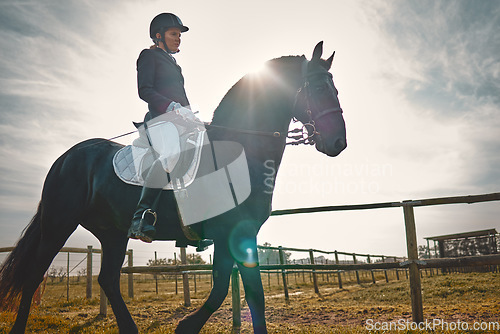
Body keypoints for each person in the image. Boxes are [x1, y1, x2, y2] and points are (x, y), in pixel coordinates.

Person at [128, 13, 211, 251]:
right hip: (159, 120)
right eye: (174, 34)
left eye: (179, 35)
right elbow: (145, 90)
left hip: (180, 121)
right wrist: (171, 107)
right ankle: (140, 217)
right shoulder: (148, 56)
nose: (178, 39)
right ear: (159, 35)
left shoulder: (176, 65)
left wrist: (189, 116)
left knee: (202, 156)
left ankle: (189, 225)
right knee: (171, 155)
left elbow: (180, 96)